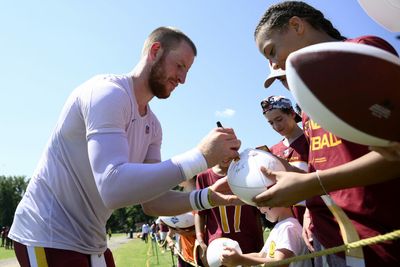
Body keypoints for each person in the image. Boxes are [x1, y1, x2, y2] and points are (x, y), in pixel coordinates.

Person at [9, 26, 241, 267]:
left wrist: (208, 196)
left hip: (92, 242)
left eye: (187, 71)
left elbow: (153, 202)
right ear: (155, 51)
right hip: (48, 235)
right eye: (180, 66)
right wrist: (200, 157)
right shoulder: (107, 93)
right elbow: (111, 186)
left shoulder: (154, 126)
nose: (183, 79)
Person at [252, 1, 400, 266]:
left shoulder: (359, 52)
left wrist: (312, 185)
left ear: (297, 25)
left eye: (272, 51)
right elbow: (331, 168)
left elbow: (395, 153)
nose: (273, 65)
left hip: (377, 244)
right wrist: (292, 186)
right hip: (331, 242)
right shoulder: (310, 99)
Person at [261, 95, 313, 251]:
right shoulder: (273, 150)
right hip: (288, 226)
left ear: (291, 113)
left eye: (279, 119)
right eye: (271, 123)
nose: (276, 126)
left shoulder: (310, 139)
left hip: (313, 218)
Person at [195, 159, 264, 267]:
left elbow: (255, 212)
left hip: (248, 242)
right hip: (217, 247)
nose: (225, 155)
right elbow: (200, 212)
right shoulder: (203, 177)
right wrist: (200, 240)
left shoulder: (248, 172)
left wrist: (260, 241)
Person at [220, 205, 312, 267]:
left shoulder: (289, 228)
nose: (259, 208)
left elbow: (279, 263)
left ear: (282, 200)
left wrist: (241, 260)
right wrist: (236, 257)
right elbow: (261, 255)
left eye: (264, 201)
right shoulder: (280, 227)